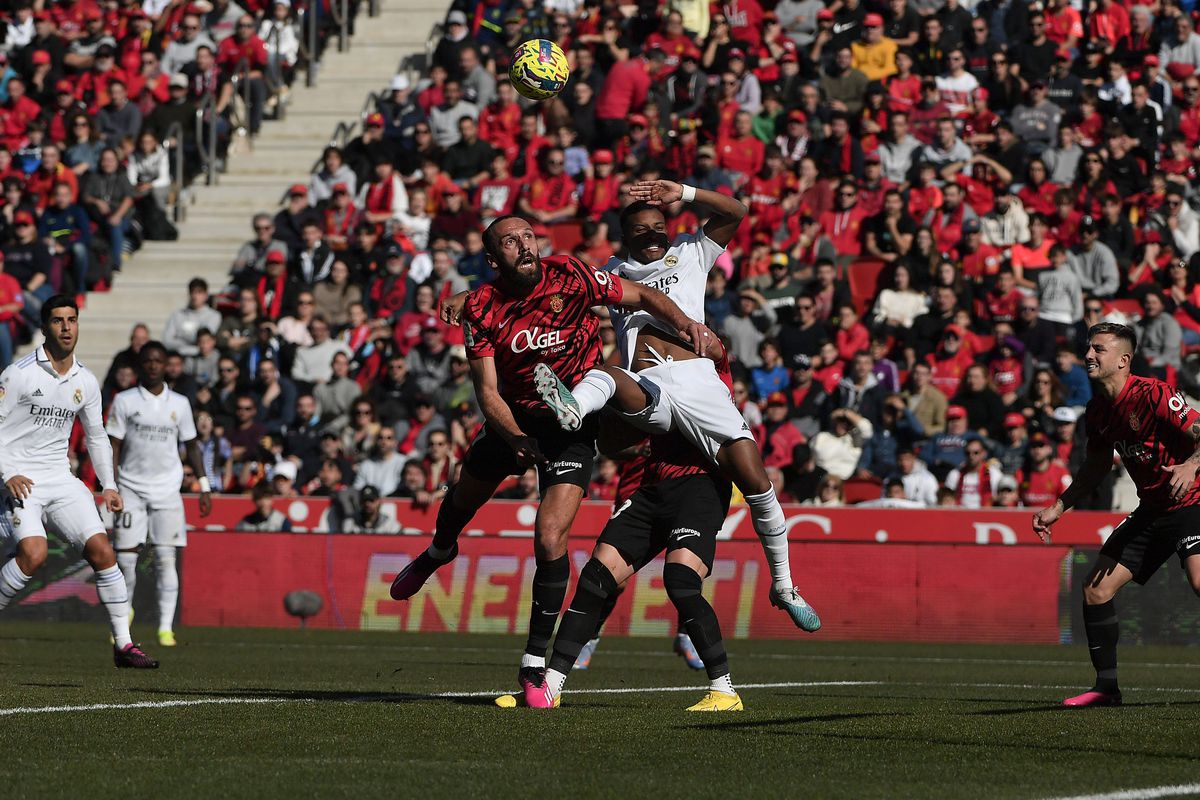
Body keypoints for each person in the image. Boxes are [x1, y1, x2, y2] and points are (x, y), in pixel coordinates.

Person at [391, 213, 712, 701]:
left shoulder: (573, 275)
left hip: (571, 421)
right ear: (493, 258)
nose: (523, 246)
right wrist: (517, 438)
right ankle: (440, 550)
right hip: (513, 422)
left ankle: (535, 663)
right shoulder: (480, 306)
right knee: (465, 498)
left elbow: (642, 294)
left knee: (550, 534)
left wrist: (687, 323)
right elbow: (488, 392)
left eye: (527, 237)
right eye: (509, 241)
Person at [524, 180, 820, 632]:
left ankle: (783, 586)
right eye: (642, 229)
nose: (654, 234)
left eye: (659, 225)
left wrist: (683, 192)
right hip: (651, 390)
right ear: (626, 237)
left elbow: (736, 211)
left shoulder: (689, 252)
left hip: (699, 385)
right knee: (607, 377)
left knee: (757, 482)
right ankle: (574, 408)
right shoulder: (611, 273)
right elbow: (547, 286)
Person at [1033, 323, 1200, 707]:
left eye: (1099, 349)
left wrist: (1191, 465)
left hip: (1193, 499)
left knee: (1198, 581)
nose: (1089, 355)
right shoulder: (1097, 410)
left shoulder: (1154, 393)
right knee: (1095, 589)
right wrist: (1059, 507)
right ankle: (1106, 688)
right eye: (1088, 348)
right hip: (1154, 508)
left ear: (1124, 360)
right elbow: (1094, 468)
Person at [532, 430, 740, 711]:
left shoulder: (714, 386)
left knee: (681, 580)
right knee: (595, 578)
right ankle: (551, 687)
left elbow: (734, 438)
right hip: (652, 486)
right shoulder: (642, 388)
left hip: (701, 486)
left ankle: (724, 690)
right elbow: (608, 442)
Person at [0, 296, 157, 668]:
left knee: (103, 552)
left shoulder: (85, 380)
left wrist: (109, 484)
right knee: (34, 554)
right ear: (44, 327)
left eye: (72, 320)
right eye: (58, 321)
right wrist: (8, 474)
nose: (67, 327)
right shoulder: (18, 373)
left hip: (60, 479)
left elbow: (98, 435)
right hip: (18, 479)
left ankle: (124, 645)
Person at [107, 342, 212, 648]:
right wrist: (110, 484)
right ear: (140, 365)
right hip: (131, 488)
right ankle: (123, 615)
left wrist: (204, 487)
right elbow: (113, 444)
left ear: (167, 365)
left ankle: (166, 628)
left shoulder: (179, 403)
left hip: (167, 490)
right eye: (148, 361)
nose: (153, 365)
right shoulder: (125, 401)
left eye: (158, 361)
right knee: (125, 560)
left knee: (166, 559)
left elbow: (192, 445)